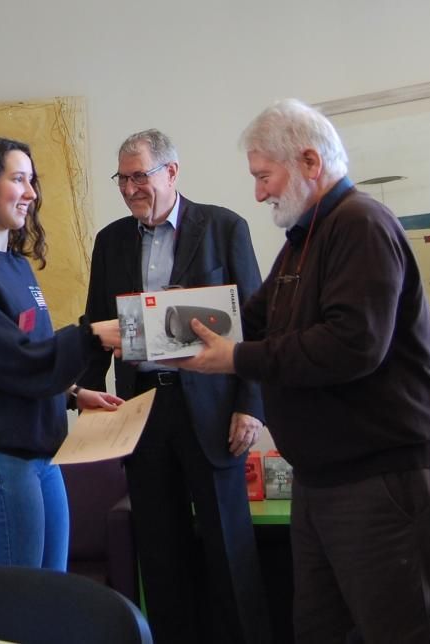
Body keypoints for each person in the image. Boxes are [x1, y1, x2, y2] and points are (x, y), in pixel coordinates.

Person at [172, 99, 430, 643]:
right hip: (326, 481)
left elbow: (352, 346)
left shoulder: (361, 224)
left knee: (406, 634)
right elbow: (249, 319)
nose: (258, 193)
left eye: (264, 176)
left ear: (309, 161)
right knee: (318, 631)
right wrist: (151, 328)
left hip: (385, 479)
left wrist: (234, 358)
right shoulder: (305, 239)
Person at [78, 129, 270, 643]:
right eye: (123, 178)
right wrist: (87, 403)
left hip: (213, 411)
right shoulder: (110, 241)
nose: (130, 188)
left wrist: (251, 406)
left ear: (172, 172)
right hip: (143, 412)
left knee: (229, 550)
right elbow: (96, 323)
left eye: (140, 175)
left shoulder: (224, 228)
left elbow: (257, 323)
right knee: (160, 557)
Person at [0, 134, 124, 571]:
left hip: (43, 454)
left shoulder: (16, 266)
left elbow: (32, 357)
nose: (32, 194)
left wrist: (72, 394)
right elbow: (7, 359)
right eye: (19, 180)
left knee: (50, 593)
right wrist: (91, 336)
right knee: (18, 605)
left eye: (31, 181)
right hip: (1, 459)